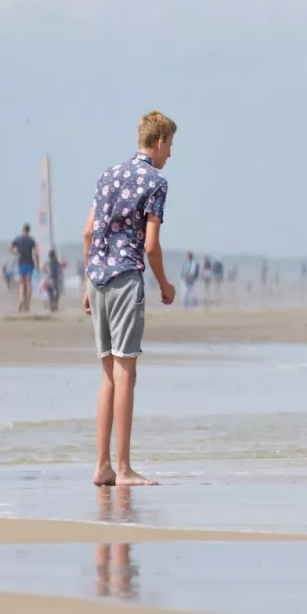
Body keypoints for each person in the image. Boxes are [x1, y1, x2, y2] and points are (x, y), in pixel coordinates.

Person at [82, 109, 178, 487]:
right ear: (158, 143)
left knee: (107, 375)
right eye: (170, 145)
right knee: (126, 374)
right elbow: (151, 245)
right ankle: (122, 469)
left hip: (98, 279)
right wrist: (165, 285)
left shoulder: (108, 175)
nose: (170, 153)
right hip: (124, 278)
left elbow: (89, 232)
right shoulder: (155, 182)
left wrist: (89, 279)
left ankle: (102, 465)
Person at [9, 224, 39, 314]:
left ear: (23, 230)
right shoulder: (31, 240)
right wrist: (38, 264)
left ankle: (21, 299)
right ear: (29, 231)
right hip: (29, 263)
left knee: (21, 284)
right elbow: (36, 253)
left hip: (21, 263)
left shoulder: (18, 239)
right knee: (29, 284)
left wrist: (16, 253)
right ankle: (27, 305)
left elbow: (10, 247)